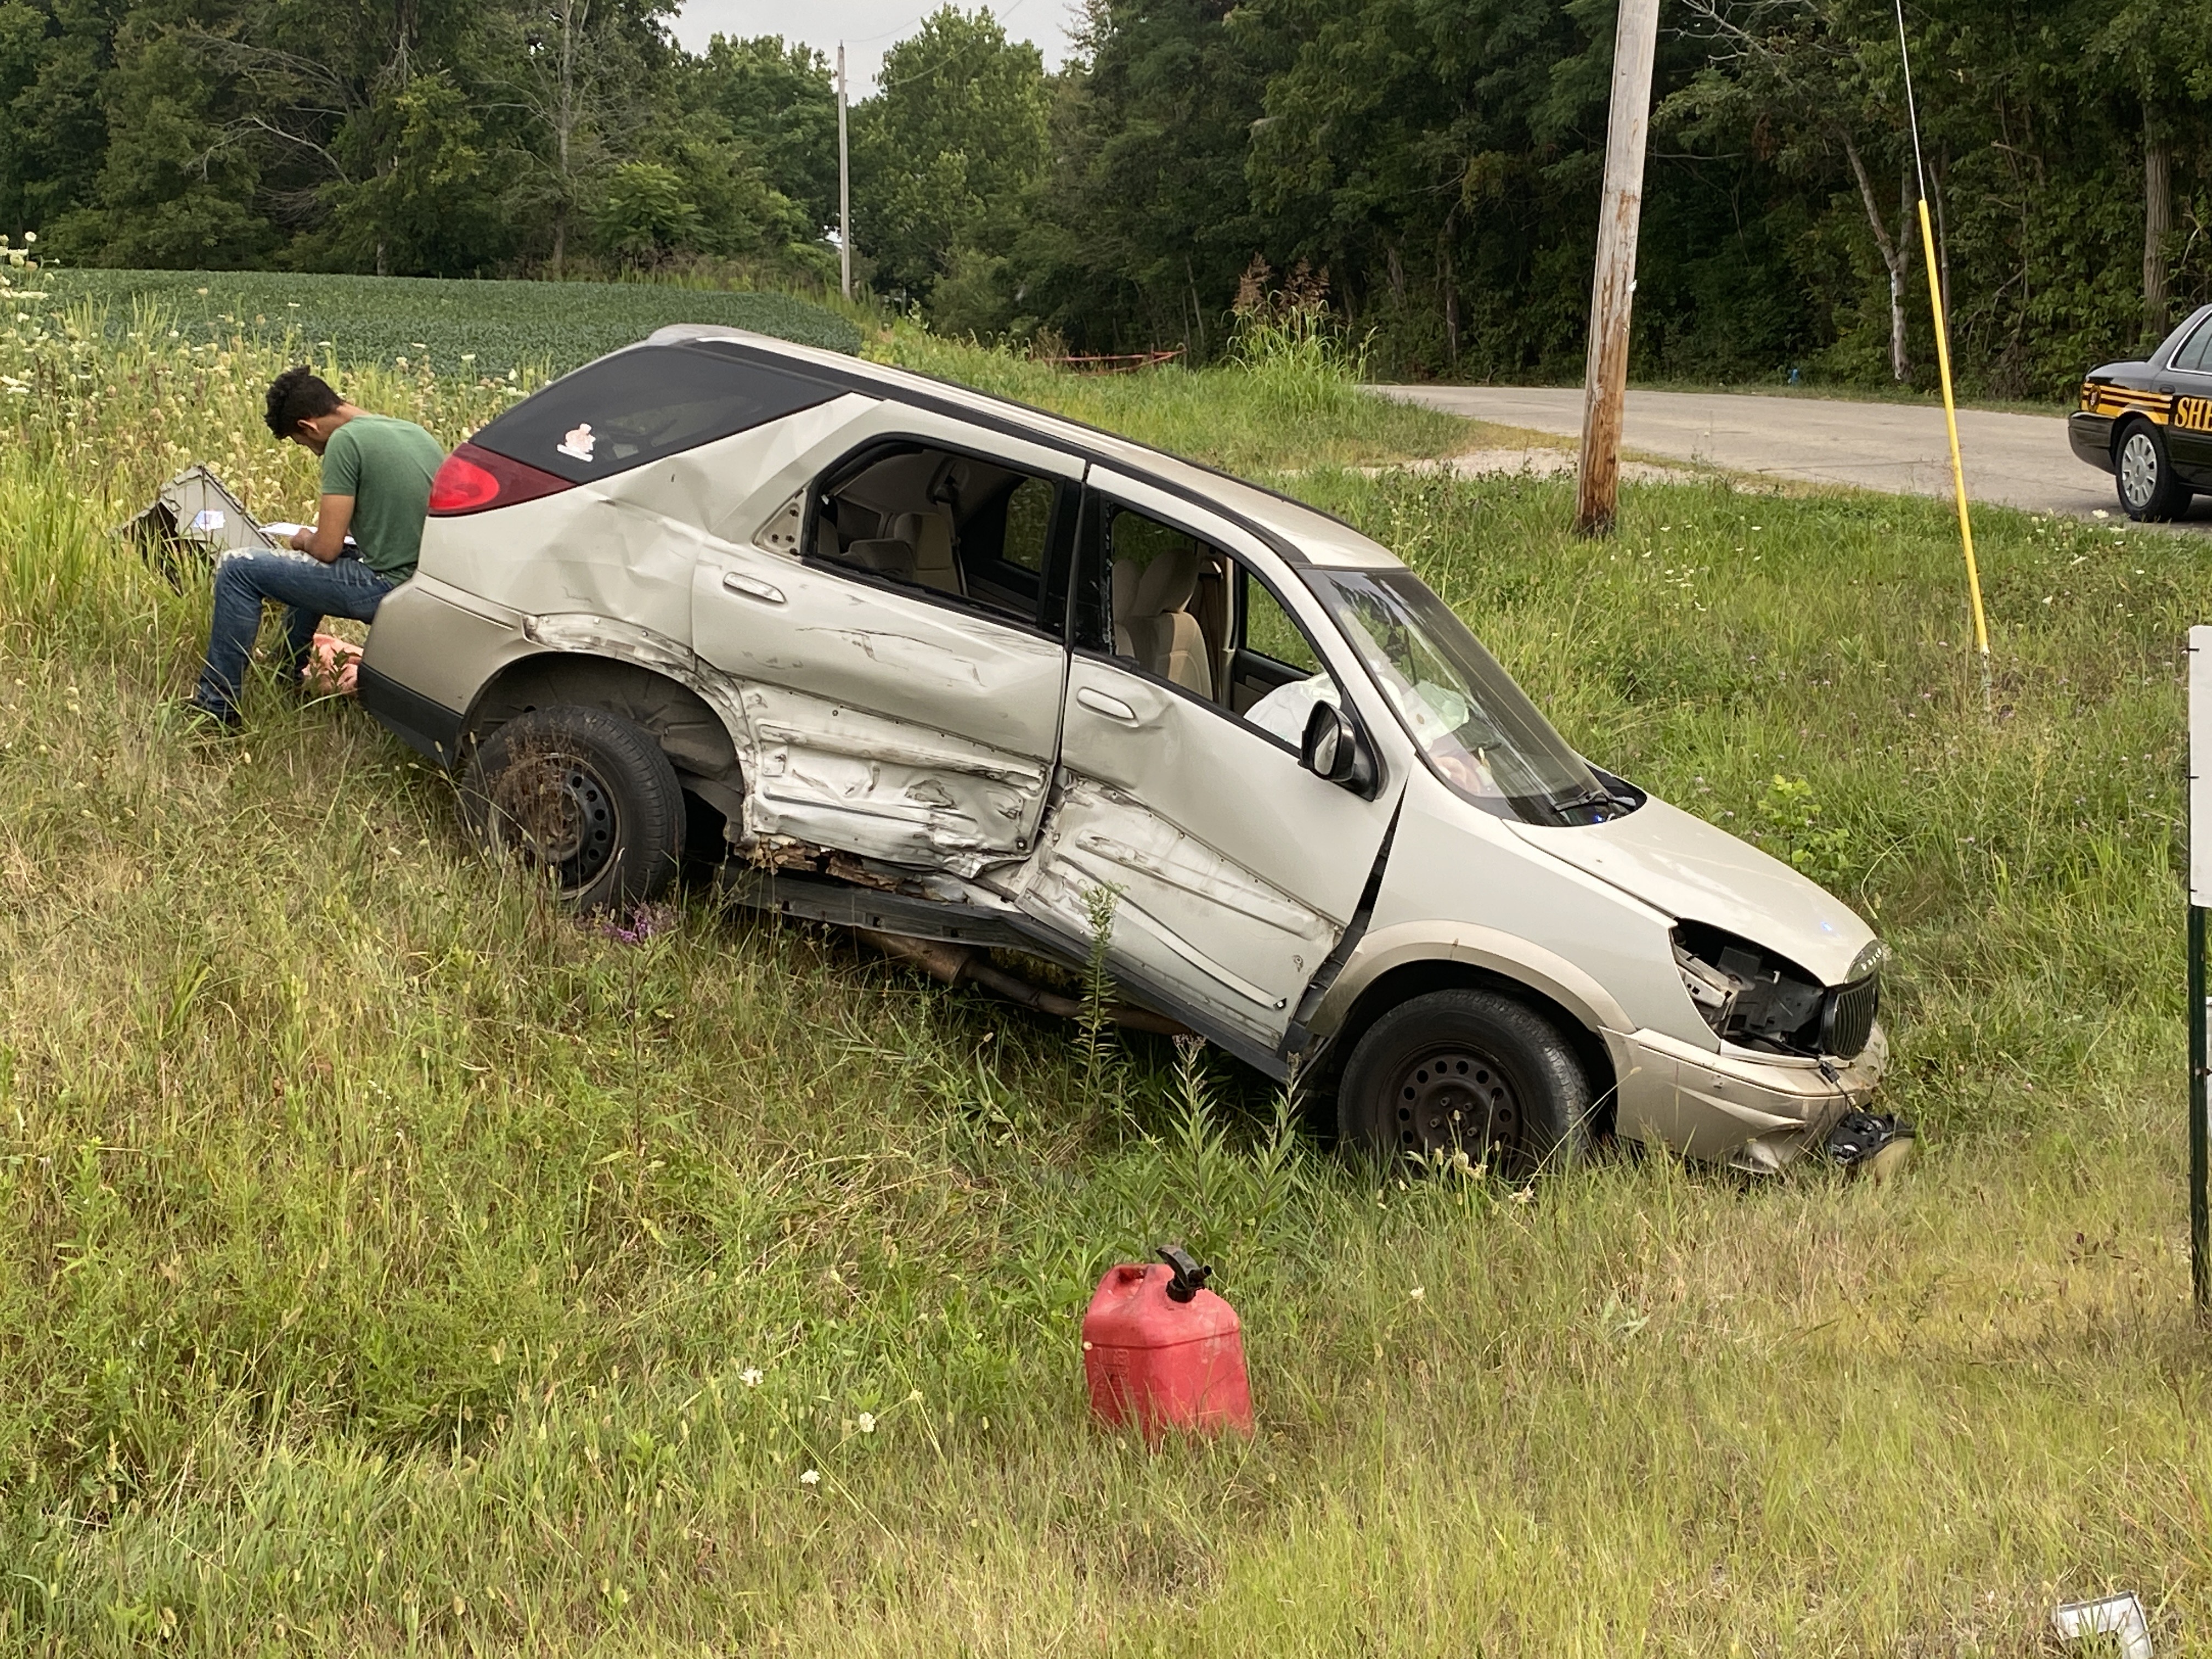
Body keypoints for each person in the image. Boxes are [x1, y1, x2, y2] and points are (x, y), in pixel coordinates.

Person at [188, 367, 444, 727]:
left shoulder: (344, 442)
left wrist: (304, 539)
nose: (313, 453)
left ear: (308, 427)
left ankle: (216, 708)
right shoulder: (412, 432)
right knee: (302, 569)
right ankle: (283, 674)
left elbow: (326, 549)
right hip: (428, 582)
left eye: (304, 444)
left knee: (238, 569)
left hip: (388, 587)